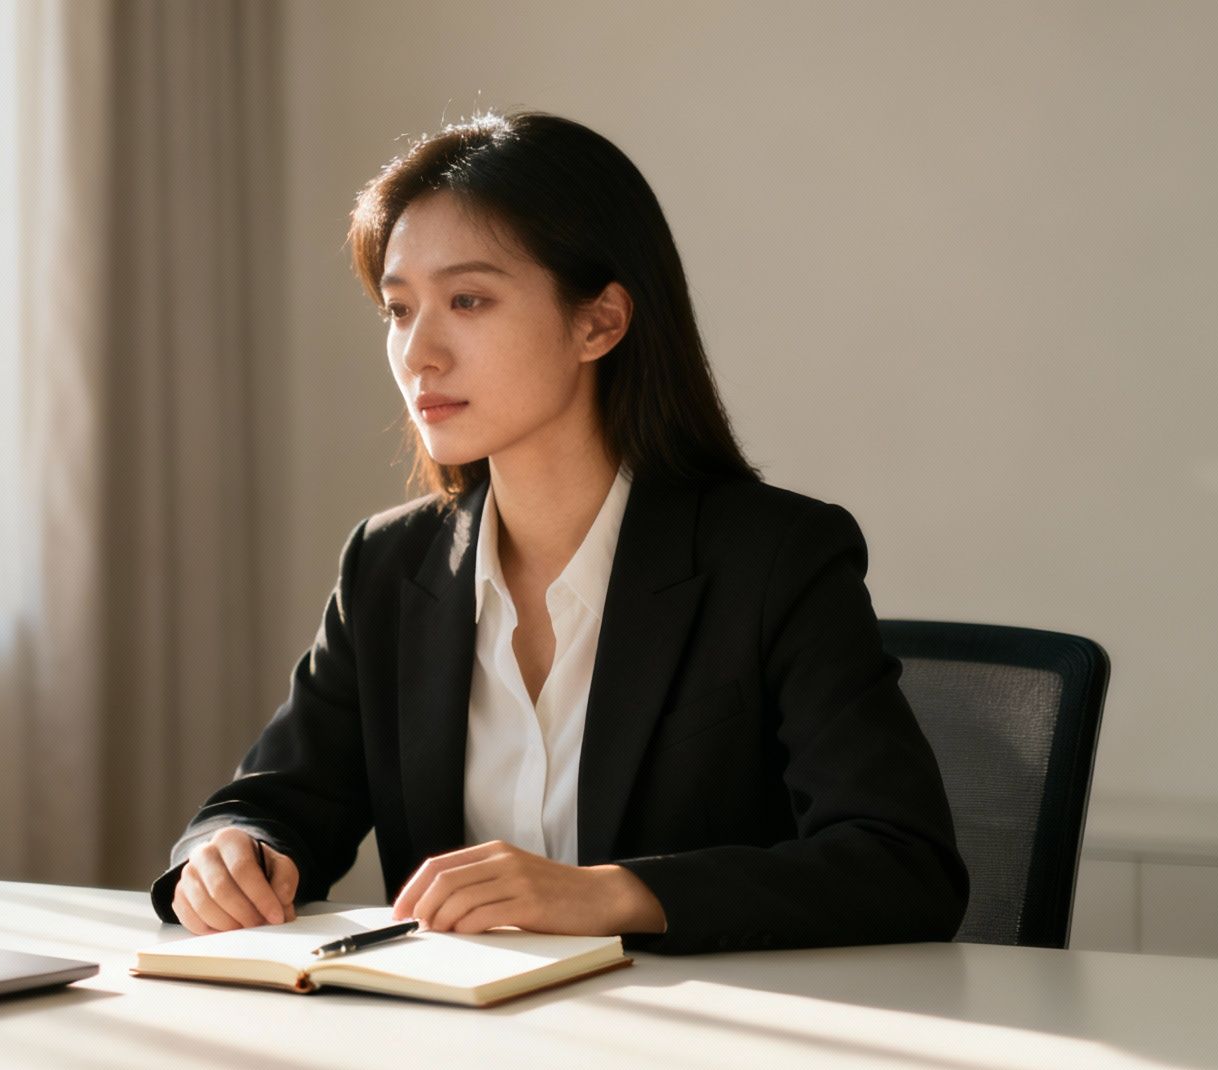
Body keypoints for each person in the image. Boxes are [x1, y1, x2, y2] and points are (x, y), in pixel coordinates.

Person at [150, 111, 968, 953]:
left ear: (599, 323)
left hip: (709, 1051)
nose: (418, 353)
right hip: (458, 1047)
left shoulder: (774, 558)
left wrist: (613, 894)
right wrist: (230, 854)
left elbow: (903, 865)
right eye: (399, 310)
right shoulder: (390, 565)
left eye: (467, 300)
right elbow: (274, 801)